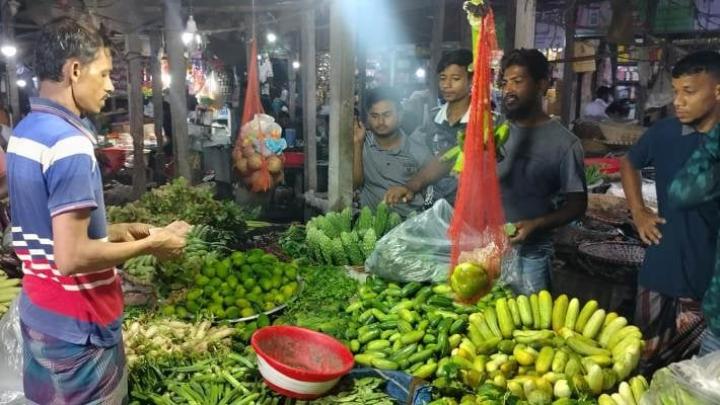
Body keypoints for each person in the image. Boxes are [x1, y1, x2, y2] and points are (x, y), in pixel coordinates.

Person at [6, 17, 188, 404]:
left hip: (40, 315)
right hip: (79, 333)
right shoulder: (69, 144)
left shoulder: (26, 132)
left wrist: (119, 229)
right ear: (74, 70)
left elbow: (49, 229)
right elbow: (72, 257)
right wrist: (153, 244)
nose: (110, 86)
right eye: (104, 74)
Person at [386, 49, 587, 294]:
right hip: (484, 247)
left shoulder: (565, 143)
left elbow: (577, 204)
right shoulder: (491, 129)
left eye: (518, 81)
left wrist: (536, 224)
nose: (508, 90)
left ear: (541, 85)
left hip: (532, 255)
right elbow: (448, 159)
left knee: (531, 323)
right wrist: (411, 186)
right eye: (505, 83)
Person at [620, 50, 720, 372]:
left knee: (694, 378)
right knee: (642, 363)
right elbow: (629, 163)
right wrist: (638, 211)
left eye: (689, 92)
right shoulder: (665, 132)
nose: (678, 101)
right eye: (676, 91)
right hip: (660, 271)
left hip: (706, 284)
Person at [385, 49, 474, 206]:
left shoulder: (485, 123)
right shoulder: (432, 119)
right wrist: (410, 186)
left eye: (455, 78)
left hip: (470, 209)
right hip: (432, 206)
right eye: (442, 78)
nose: (447, 85)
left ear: (471, 80)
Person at [353, 87, 433, 217]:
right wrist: (357, 144)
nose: (381, 122)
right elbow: (355, 184)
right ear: (367, 118)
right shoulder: (362, 142)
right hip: (371, 229)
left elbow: (430, 191)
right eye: (375, 116)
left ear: (400, 114)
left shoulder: (418, 151)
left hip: (408, 227)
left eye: (387, 115)